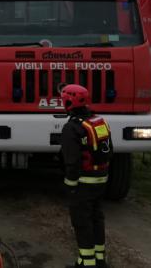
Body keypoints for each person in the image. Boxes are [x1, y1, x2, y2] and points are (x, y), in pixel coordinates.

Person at [60, 84, 113, 268]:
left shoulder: (71, 128)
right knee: (97, 218)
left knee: (82, 222)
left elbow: (72, 162)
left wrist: (70, 185)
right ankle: (99, 260)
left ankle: (87, 263)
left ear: (68, 102)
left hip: (83, 183)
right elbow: (109, 150)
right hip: (101, 179)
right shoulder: (98, 122)